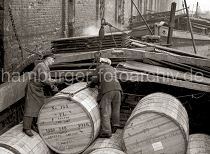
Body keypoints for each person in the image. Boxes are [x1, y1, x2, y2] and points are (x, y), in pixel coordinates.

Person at [23, 53, 63, 137]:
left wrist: (53, 86)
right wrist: (57, 81)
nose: (53, 61)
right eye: (52, 59)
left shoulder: (46, 67)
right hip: (32, 88)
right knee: (30, 106)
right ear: (47, 58)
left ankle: (34, 125)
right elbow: (45, 80)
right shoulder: (41, 66)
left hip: (38, 88)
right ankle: (26, 128)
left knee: (39, 105)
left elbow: (46, 80)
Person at [88, 58, 122, 138]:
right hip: (118, 89)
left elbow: (95, 79)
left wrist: (90, 84)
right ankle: (115, 126)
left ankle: (106, 132)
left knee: (105, 110)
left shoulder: (100, 67)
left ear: (101, 62)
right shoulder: (112, 69)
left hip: (108, 90)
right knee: (116, 109)